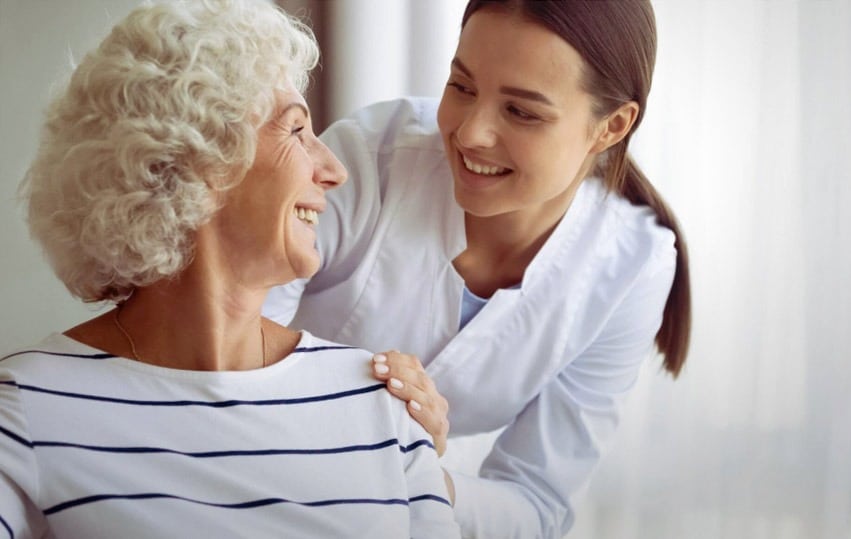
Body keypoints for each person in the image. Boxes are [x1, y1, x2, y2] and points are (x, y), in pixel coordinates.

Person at [0, 1, 461, 537]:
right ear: (197, 157)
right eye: (296, 131)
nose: (333, 169)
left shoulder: (380, 404)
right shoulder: (27, 413)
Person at [263, 0, 692, 537]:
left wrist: (414, 471)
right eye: (461, 87)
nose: (470, 134)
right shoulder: (368, 158)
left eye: (522, 112)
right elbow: (232, 353)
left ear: (612, 126)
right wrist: (375, 419)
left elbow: (536, 504)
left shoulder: (634, 268)